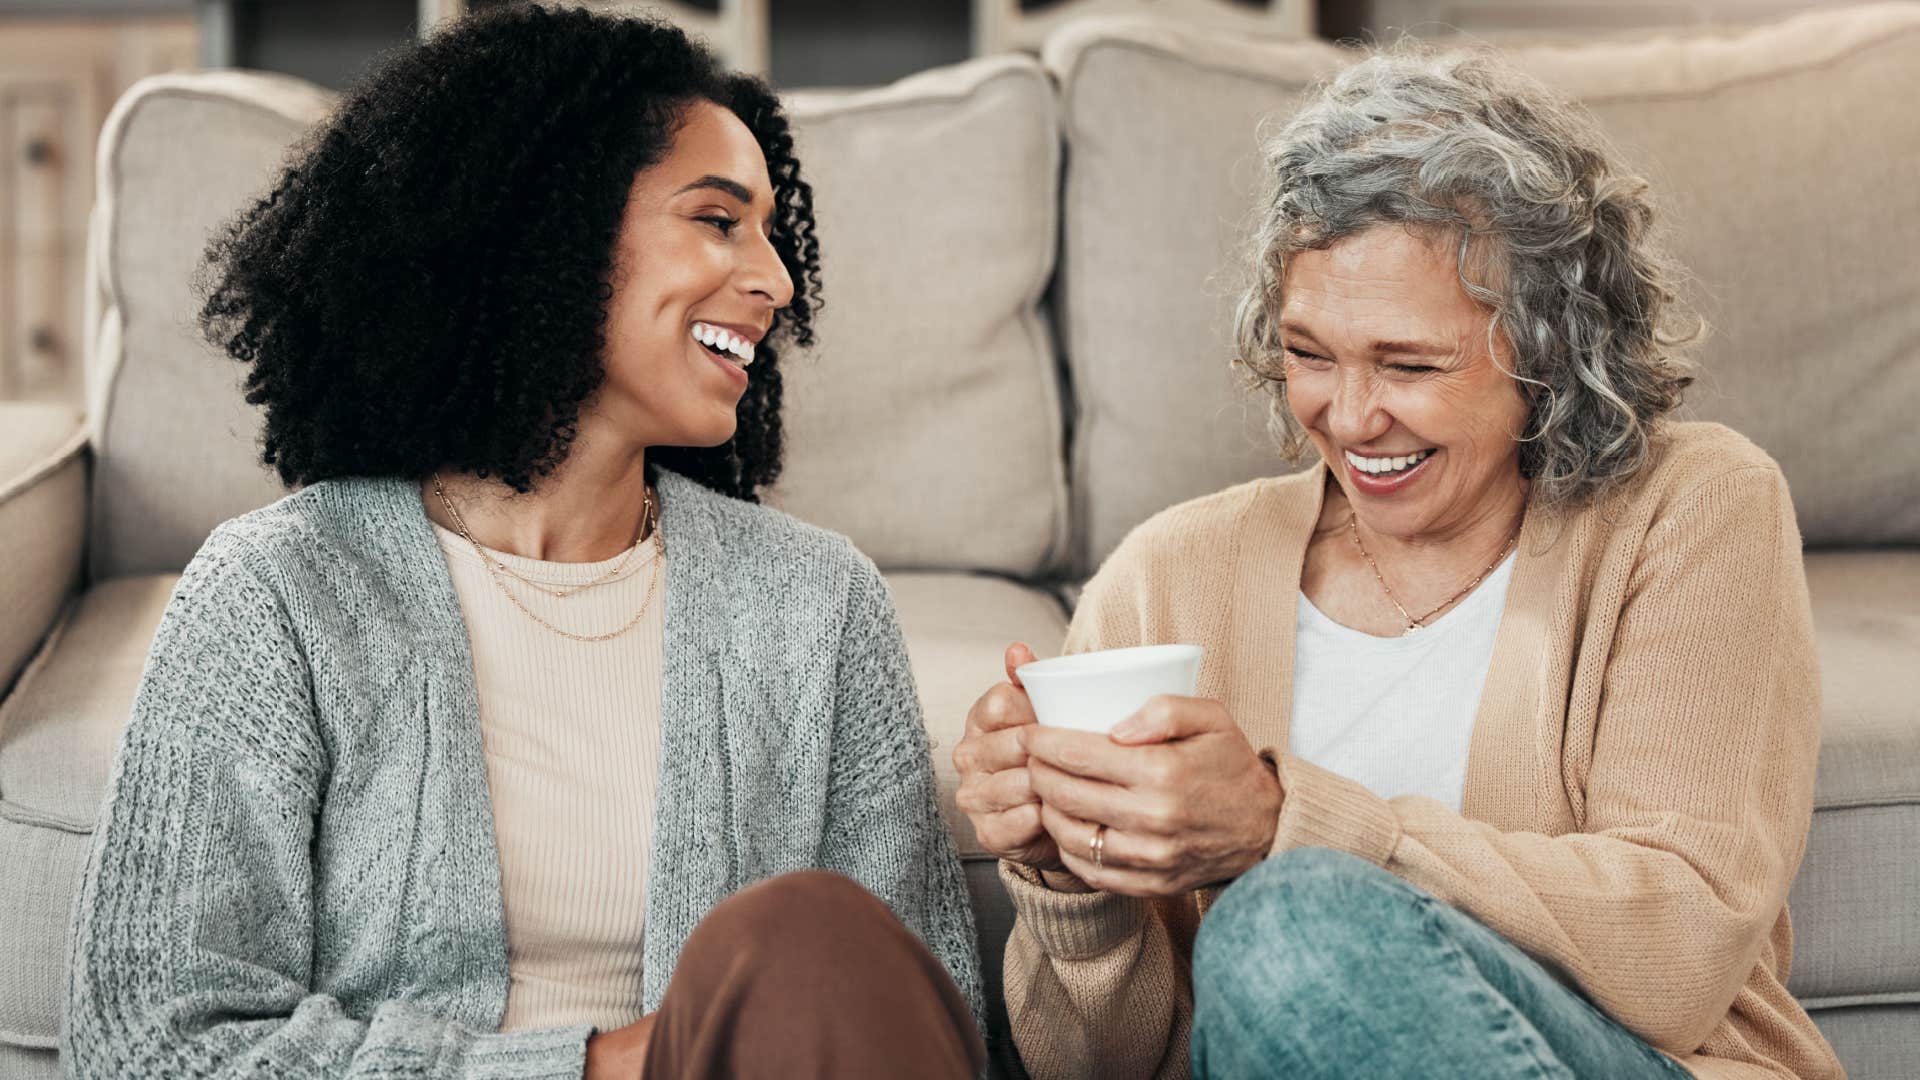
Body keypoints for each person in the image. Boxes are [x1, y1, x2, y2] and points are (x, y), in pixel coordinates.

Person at [64, 8, 983, 1079]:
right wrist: (616, 1066)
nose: (776, 281)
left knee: (810, 939)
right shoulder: (277, 594)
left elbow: (920, 1010)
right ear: (553, 224)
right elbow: (149, 1045)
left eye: (772, 234)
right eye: (719, 221)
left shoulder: (818, 604)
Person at [955, 46, 1839, 1080]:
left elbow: (1681, 955)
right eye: (1310, 354)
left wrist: (1285, 828)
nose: (1352, 414)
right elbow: (1108, 1067)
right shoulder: (1167, 577)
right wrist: (1072, 877)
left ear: (1548, 349)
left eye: (1411, 365)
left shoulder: (1691, 509)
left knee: (1287, 926)